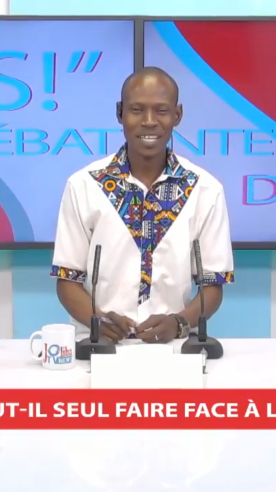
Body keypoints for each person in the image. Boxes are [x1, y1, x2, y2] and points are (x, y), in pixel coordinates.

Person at [49, 67, 235, 344]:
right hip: (100, 345)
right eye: (137, 110)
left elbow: (213, 287)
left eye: (161, 111)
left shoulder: (205, 190)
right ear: (120, 113)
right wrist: (96, 320)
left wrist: (179, 323)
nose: (149, 121)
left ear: (177, 115)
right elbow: (67, 281)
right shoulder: (84, 185)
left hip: (173, 347)